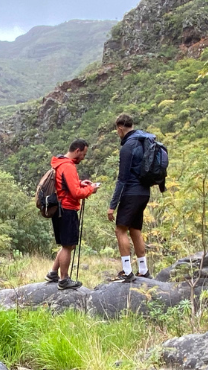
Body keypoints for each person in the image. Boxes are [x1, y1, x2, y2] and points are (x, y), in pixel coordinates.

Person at [106, 113, 154, 282]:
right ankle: (143, 270)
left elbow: (122, 179)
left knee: (120, 230)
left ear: (120, 128)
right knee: (135, 230)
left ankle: (127, 271)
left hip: (131, 193)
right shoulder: (144, 141)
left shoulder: (128, 146)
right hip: (144, 192)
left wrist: (112, 205)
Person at [45, 139, 97, 290]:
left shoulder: (59, 163)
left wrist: (81, 183)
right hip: (67, 209)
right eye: (84, 154)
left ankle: (53, 273)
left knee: (67, 244)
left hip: (60, 209)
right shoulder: (68, 166)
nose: (83, 157)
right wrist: (90, 190)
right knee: (68, 245)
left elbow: (66, 185)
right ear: (77, 151)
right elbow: (75, 193)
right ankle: (64, 280)